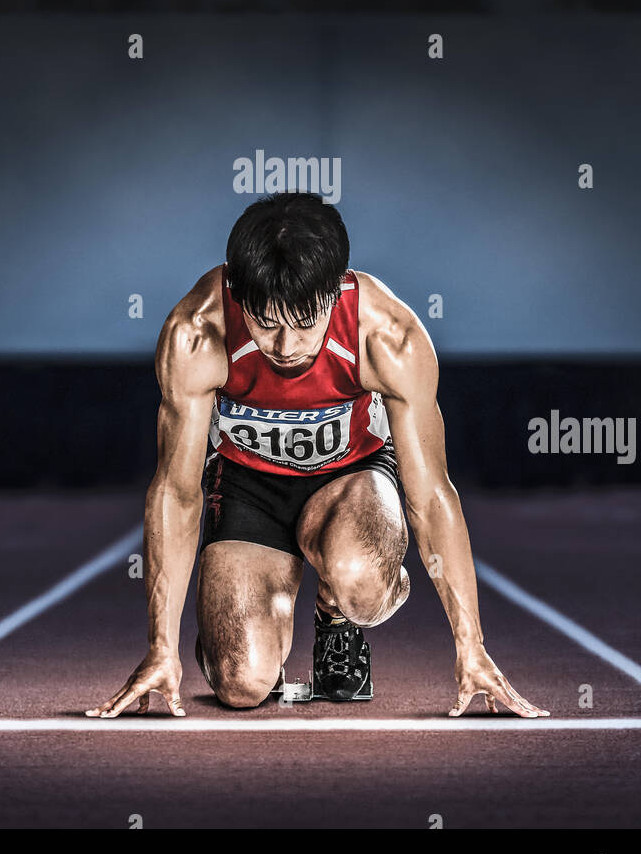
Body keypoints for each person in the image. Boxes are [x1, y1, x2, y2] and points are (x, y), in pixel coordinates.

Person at [87, 192, 548, 719]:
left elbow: (432, 494)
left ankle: (336, 610)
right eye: (266, 322)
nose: (285, 346)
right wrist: (160, 647)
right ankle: (245, 623)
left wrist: (472, 647)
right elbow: (175, 490)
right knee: (241, 683)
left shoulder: (388, 339)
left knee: (361, 578)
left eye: (305, 323)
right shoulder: (197, 334)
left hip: (351, 483)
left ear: (336, 290)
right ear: (238, 294)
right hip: (247, 487)